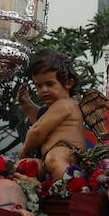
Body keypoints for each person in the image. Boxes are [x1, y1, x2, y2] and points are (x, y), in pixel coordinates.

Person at [18, 49, 89, 182]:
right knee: (23, 167)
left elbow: (38, 130)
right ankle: (40, 191)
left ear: (68, 83)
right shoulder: (53, 109)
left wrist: (24, 152)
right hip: (48, 158)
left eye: (49, 84)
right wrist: (26, 105)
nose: (43, 90)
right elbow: (40, 119)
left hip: (67, 153)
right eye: (38, 85)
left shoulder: (65, 104)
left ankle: (70, 190)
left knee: (54, 158)